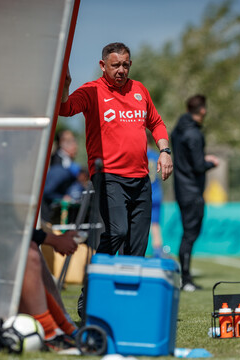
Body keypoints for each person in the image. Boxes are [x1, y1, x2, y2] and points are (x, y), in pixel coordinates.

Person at [59, 42, 173, 257]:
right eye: (116, 65)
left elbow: (157, 123)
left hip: (141, 179)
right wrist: (65, 86)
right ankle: (92, 288)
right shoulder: (91, 91)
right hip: (110, 177)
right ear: (103, 65)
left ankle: (126, 289)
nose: (121, 70)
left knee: (137, 245)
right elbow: (65, 109)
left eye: (125, 65)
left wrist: (165, 152)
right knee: (117, 232)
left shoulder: (139, 89)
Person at [170, 94, 219, 292]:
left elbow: (188, 158)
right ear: (202, 110)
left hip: (181, 188)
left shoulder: (177, 130)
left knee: (187, 233)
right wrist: (211, 162)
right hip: (192, 190)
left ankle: (185, 277)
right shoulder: (194, 134)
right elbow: (198, 166)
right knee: (190, 235)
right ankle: (186, 279)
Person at [147, 130, 166, 258]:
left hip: (144, 193)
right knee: (155, 224)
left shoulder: (141, 154)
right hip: (157, 193)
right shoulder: (155, 155)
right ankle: (157, 250)